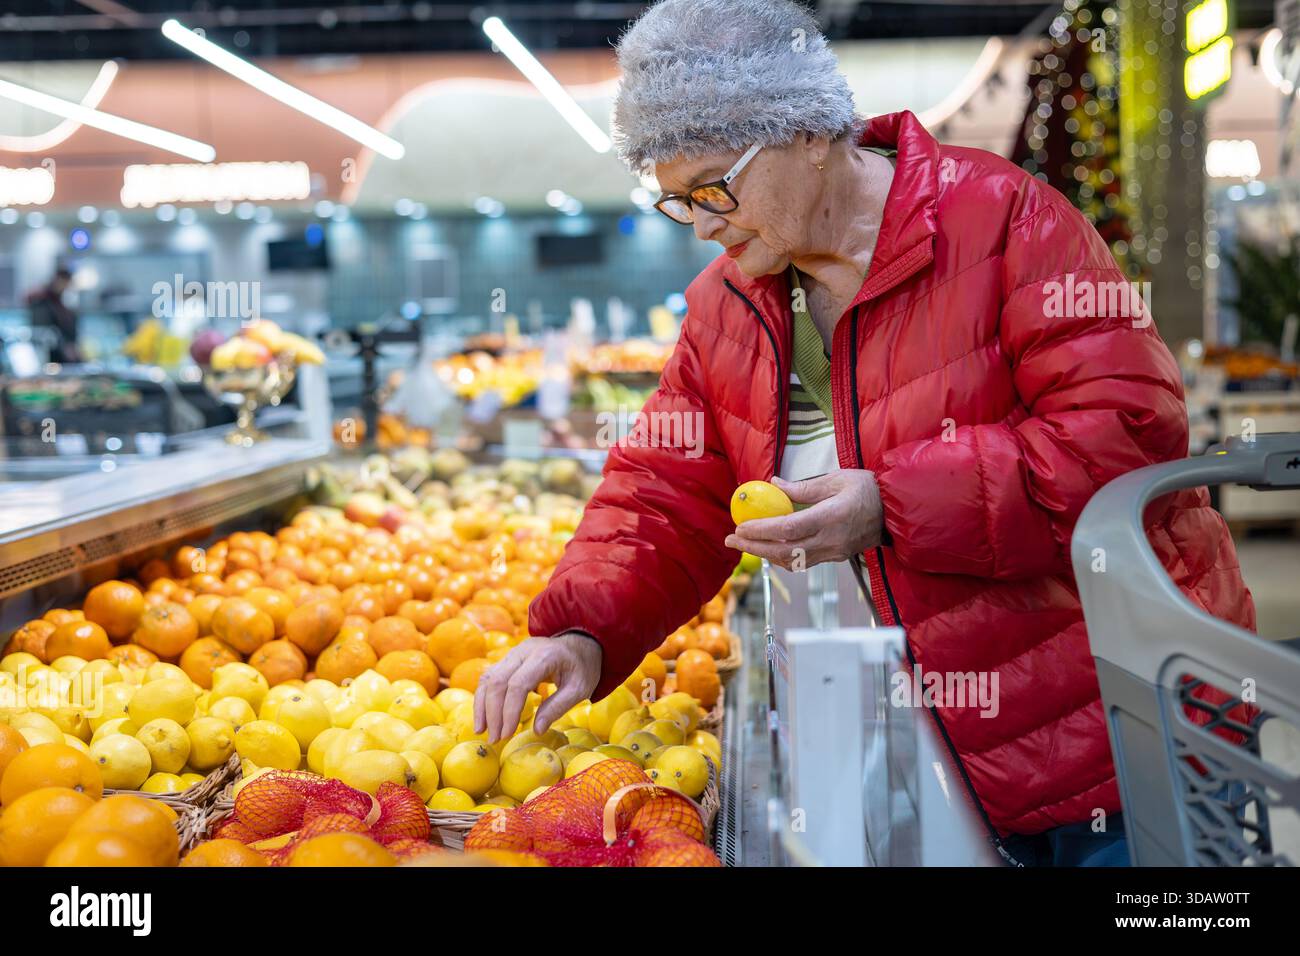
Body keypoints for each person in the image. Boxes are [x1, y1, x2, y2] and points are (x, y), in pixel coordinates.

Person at [474, 0, 1255, 866]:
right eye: (673, 200)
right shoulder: (728, 305)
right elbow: (663, 491)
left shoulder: (1006, 223)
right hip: (927, 748)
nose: (699, 222)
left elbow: (1125, 438)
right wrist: (582, 629)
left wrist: (894, 503)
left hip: (1112, 723)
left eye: (711, 188)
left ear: (808, 132)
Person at [26, 267, 82, 363]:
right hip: (51, 354)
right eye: (64, 282)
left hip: (61, 351)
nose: (65, 286)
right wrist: (65, 347)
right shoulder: (42, 301)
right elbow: (44, 330)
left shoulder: (60, 302)